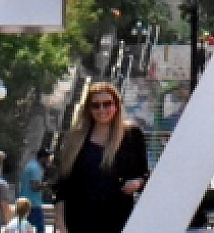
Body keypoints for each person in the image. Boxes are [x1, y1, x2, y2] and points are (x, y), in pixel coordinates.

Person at [53, 83, 150, 233]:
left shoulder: (132, 135)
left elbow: (144, 173)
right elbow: (62, 185)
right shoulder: (75, 138)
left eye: (107, 104)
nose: (102, 110)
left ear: (116, 105)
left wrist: (137, 182)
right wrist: (60, 223)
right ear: (88, 109)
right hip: (78, 220)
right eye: (95, 106)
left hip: (118, 219)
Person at [21, 149, 49, 233]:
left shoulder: (30, 165)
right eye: (47, 158)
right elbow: (34, 186)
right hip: (33, 205)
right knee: (39, 229)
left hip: (26, 203)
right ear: (43, 158)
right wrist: (48, 184)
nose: (48, 160)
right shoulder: (35, 168)